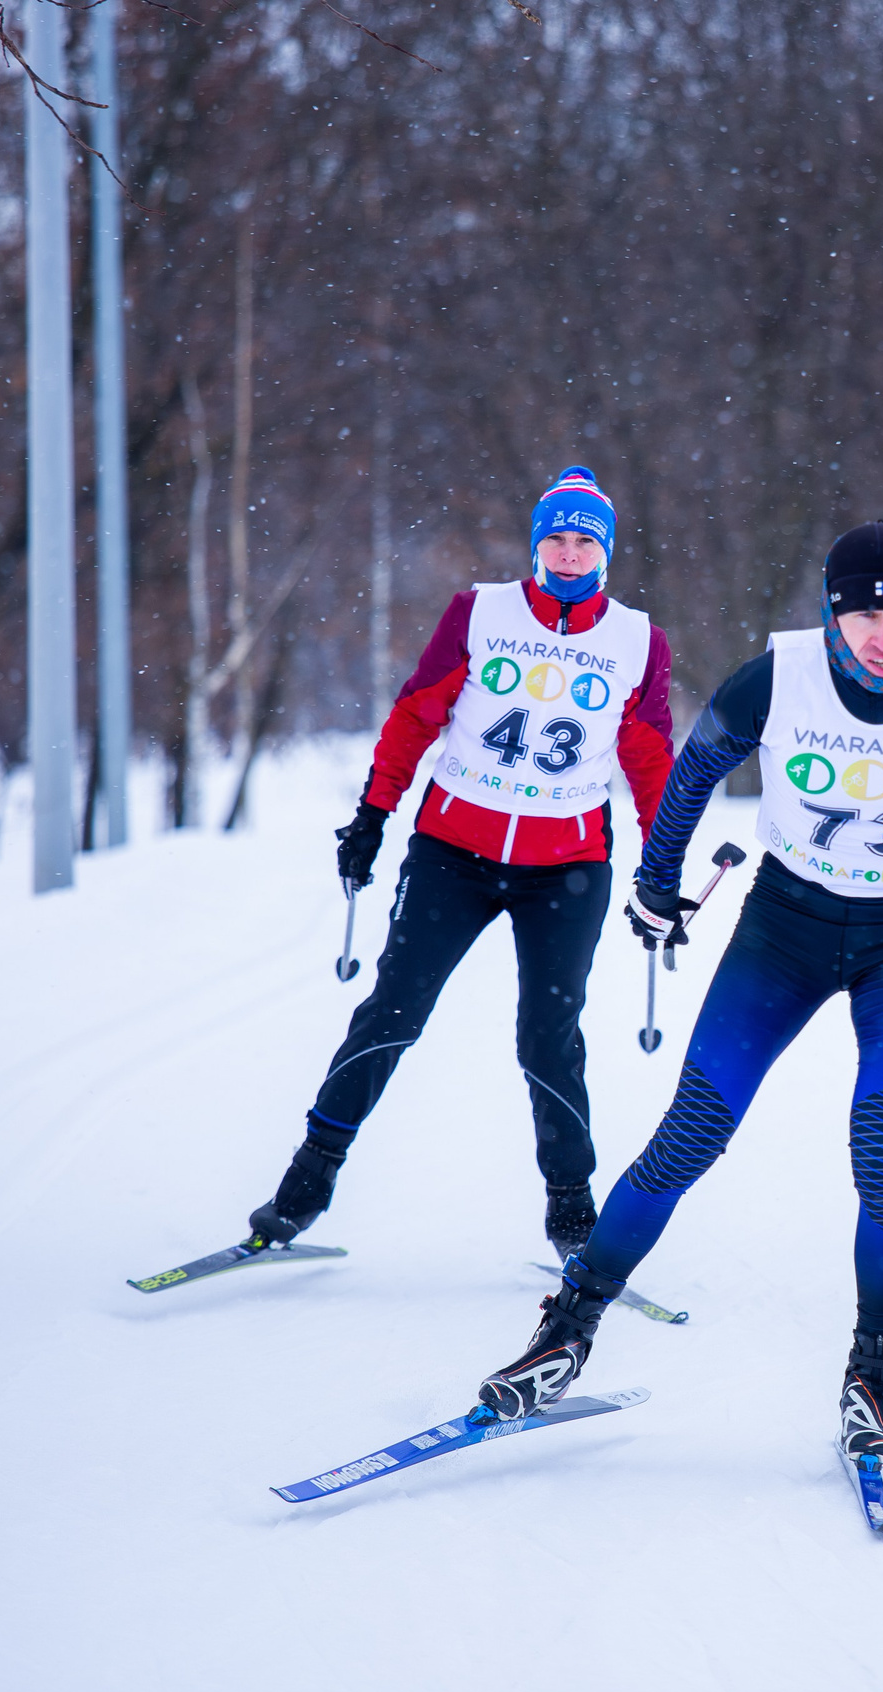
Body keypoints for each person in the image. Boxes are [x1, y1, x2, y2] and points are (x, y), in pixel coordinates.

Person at [470, 520, 883, 1466]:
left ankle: (873, 1369)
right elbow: (694, 771)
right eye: (865, 614)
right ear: (832, 614)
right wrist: (657, 882)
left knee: (882, 1145)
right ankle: (566, 1330)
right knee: (691, 1131)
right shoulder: (777, 678)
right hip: (784, 927)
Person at [243, 467, 675, 1260]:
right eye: (557, 538)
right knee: (392, 1014)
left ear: (605, 553)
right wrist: (373, 814)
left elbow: (649, 758)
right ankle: (307, 1183)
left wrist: (664, 865)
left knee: (549, 1037)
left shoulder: (637, 640)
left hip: (567, 864)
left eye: (585, 542)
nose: (570, 555)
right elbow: (417, 713)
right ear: (537, 542)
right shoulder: (480, 613)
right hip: (453, 851)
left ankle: (572, 1211)